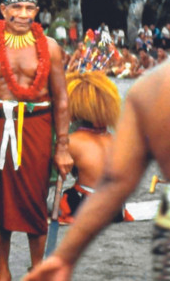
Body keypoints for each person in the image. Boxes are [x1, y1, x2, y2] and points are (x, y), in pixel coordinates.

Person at [26, 36, 170, 280]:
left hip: (89, 207)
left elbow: (51, 181)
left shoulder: (73, 142)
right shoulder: (118, 134)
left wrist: (64, 258)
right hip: (117, 210)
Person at [0, 0, 72, 280]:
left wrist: (62, 146)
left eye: (29, 9)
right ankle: (4, 271)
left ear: (36, 12)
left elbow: (61, 99)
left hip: (37, 126)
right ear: (3, 10)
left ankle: (37, 269)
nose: (23, 15)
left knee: (35, 200)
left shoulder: (50, 47)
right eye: (17, 8)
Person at [57, 71, 132, 225]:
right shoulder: (117, 140)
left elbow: (52, 176)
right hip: (116, 209)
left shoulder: (73, 141)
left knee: (62, 195)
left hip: (84, 207)